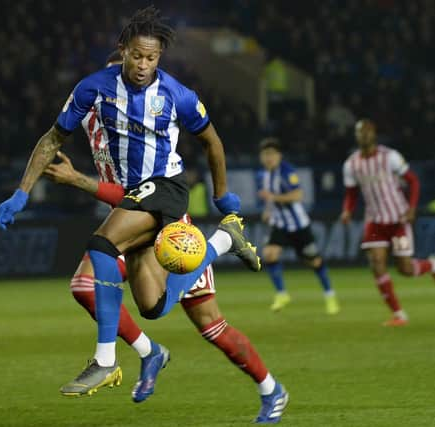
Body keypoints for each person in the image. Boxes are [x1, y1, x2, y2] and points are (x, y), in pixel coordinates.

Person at [0, 7, 286, 422]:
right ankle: (214, 258)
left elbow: (212, 143)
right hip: (134, 205)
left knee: (115, 261)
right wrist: (21, 192)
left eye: (151, 58)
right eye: (136, 57)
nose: (142, 65)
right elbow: (54, 138)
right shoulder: (94, 94)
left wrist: (224, 199)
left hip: (167, 204)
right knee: (151, 307)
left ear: (159, 58)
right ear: (122, 52)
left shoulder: (175, 95)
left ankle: (110, 360)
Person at [44, 146, 287, 421]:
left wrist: (77, 180)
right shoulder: (99, 119)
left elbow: (145, 192)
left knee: (212, 326)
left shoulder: (136, 123)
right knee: (84, 285)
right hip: (130, 233)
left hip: (170, 235)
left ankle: (271, 389)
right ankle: (149, 351)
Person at [341, 119, 435, 326]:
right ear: (356, 136)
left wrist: (411, 208)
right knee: (377, 263)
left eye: (367, 131)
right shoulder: (351, 164)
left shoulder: (390, 157)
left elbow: (413, 180)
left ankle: (432, 265)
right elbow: (351, 193)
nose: (364, 135)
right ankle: (399, 314)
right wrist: (347, 210)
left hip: (398, 221)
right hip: (375, 223)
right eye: (360, 132)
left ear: (374, 134)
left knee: (406, 268)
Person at [257, 138, 340, 314]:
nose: (268, 158)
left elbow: (297, 195)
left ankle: (330, 295)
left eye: (271, 154)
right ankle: (282, 294)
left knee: (314, 262)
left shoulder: (287, 172)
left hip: (299, 226)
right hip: (280, 224)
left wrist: (272, 198)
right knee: (269, 254)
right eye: (265, 154)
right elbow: (270, 198)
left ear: (279, 155)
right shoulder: (265, 175)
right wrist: (268, 210)